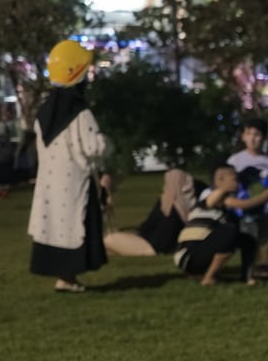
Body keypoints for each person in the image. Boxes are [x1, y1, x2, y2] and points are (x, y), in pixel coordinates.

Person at [28, 41, 109, 293]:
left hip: (50, 184)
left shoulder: (44, 113)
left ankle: (65, 278)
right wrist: (107, 144)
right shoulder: (80, 112)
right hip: (75, 184)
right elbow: (94, 147)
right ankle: (68, 277)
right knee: (76, 226)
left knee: (55, 227)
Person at [174, 163, 268, 285]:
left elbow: (241, 205)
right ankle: (208, 278)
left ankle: (247, 276)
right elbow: (242, 204)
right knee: (228, 232)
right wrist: (265, 196)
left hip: (199, 251)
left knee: (248, 240)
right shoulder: (212, 194)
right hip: (188, 255)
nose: (238, 182)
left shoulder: (225, 198)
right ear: (220, 179)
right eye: (234, 179)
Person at [227, 118, 268, 276]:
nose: (252, 138)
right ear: (243, 136)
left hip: (267, 207)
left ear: (264, 138)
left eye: (257, 134)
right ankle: (251, 267)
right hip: (243, 209)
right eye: (249, 134)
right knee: (251, 237)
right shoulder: (235, 161)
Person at [104, 169, 196, 257]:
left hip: (152, 247)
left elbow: (149, 228)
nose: (164, 187)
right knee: (108, 247)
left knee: (109, 239)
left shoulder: (171, 208)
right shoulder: (186, 206)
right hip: (151, 243)